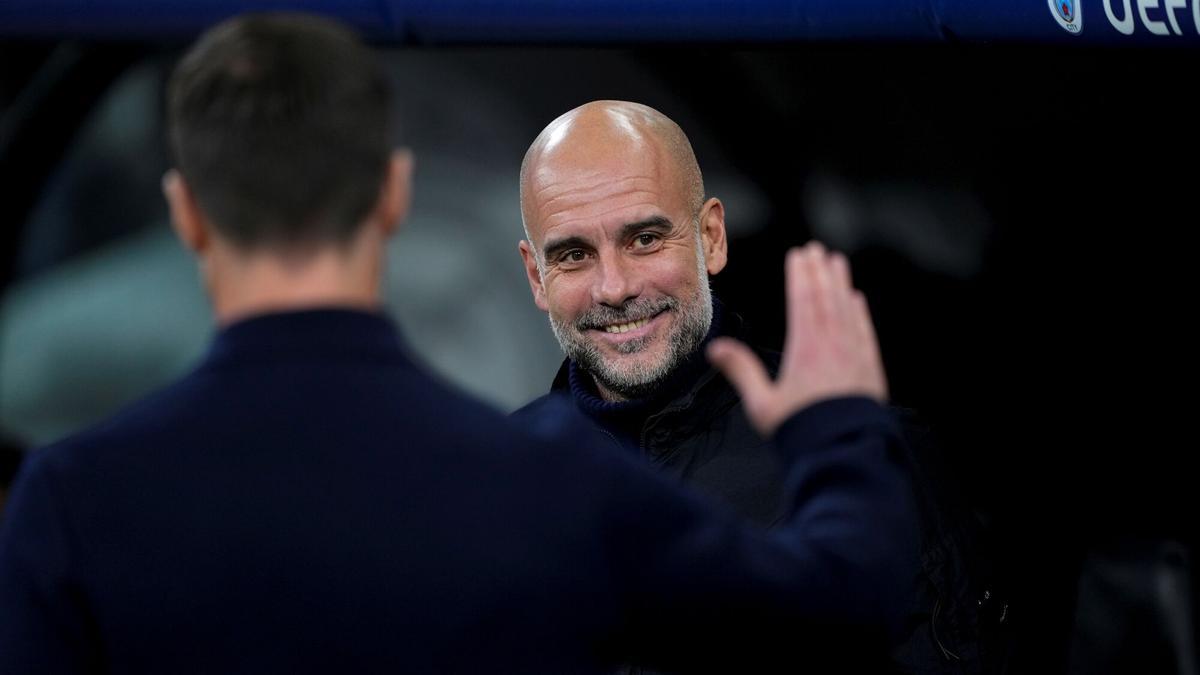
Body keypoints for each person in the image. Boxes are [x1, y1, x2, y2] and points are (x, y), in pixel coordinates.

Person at [0, 14, 916, 674]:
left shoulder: (68, 502)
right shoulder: (550, 478)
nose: (614, 283)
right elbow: (845, 601)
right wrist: (837, 429)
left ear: (186, 213)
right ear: (394, 194)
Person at [513, 101, 1010, 673]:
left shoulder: (866, 457)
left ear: (711, 237)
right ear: (537, 276)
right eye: (574, 255)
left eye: (645, 239)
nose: (614, 287)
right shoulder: (492, 481)